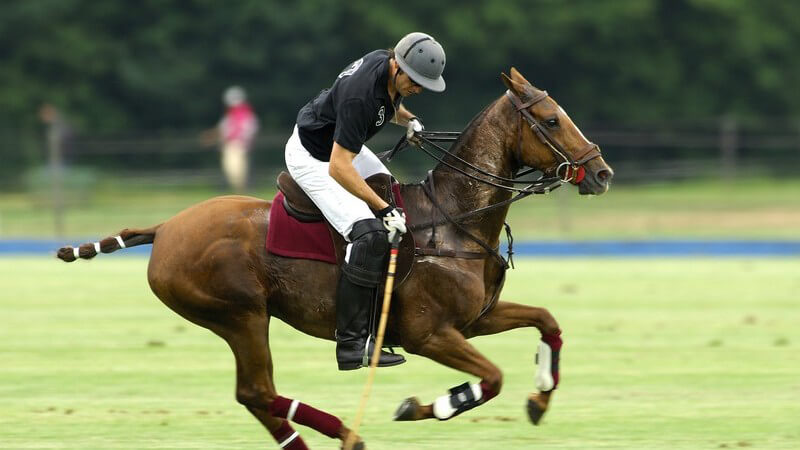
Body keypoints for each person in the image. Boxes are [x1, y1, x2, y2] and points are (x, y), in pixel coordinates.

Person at [284, 32, 446, 370]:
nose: (418, 88)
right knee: (370, 233)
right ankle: (352, 343)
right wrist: (383, 211)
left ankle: (383, 321)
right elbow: (339, 167)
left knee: (395, 193)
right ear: (397, 67)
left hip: (338, 144)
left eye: (423, 84)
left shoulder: (384, 65)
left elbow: (392, 104)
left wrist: (410, 120)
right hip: (315, 156)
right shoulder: (362, 99)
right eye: (414, 81)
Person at [216, 86, 259, 192]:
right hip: (234, 145)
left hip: (238, 146)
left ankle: (240, 190)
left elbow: (247, 131)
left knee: (237, 171)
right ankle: (239, 189)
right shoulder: (236, 115)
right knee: (234, 171)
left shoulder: (244, 115)